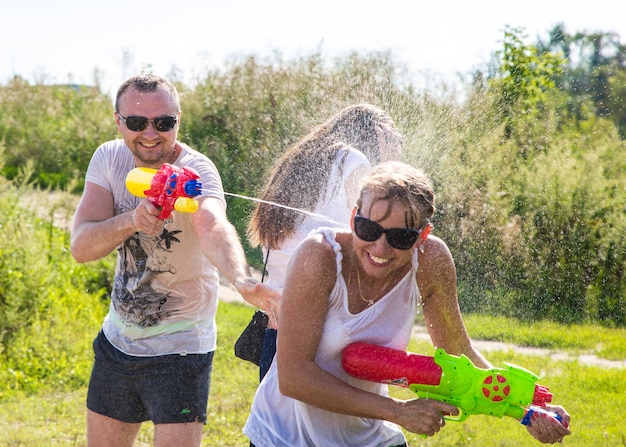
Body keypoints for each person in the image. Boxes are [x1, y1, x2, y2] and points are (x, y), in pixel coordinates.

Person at [243, 161, 571, 446]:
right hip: (286, 436)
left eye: (400, 238)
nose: (380, 248)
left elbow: (459, 354)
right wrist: (397, 412)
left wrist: (530, 404)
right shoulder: (320, 256)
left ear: (422, 235)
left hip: (370, 437)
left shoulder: (431, 262)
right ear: (354, 217)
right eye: (369, 229)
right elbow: (294, 377)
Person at [70, 74, 280, 447]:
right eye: (137, 122)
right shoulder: (108, 158)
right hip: (117, 343)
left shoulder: (199, 170)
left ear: (178, 120)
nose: (150, 133)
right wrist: (131, 221)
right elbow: (82, 247)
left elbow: (213, 225)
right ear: (118, 121)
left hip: (182, 351)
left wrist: (243, 280)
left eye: (163, 123)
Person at [246, 104, 403, 379]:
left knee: (276, 420)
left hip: (277, 326)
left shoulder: (300, 160)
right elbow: (375, 227)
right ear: (377, 134)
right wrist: (391, 163)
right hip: (320, 329)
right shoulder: (353, 160)